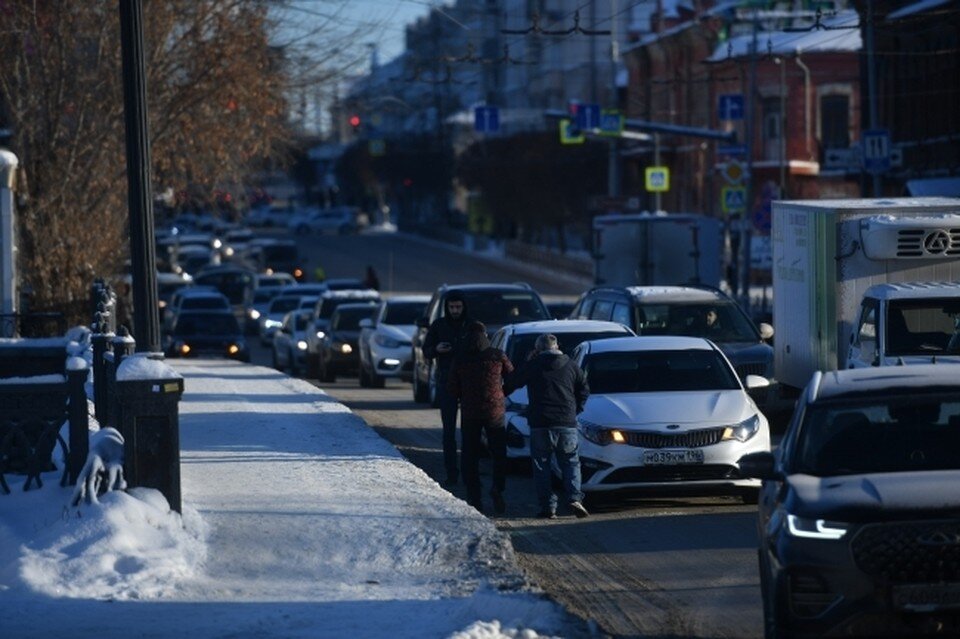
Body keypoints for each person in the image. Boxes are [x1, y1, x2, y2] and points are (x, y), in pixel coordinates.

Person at [505, 333, 590, 519]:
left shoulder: (533, 366)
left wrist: (527, 362)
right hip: (566, 422)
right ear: (557, 346)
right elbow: (584, 389)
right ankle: (575, 498)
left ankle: (548, 507)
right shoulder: (571, 365)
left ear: (537, 349)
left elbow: (513, 382)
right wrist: (575, 410)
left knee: (541, 466)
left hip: (540, 423)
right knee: (570, 462)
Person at [448, 321, 514, 514]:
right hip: (495, 412)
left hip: (470, 413)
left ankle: (474, 495)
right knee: (498, 453)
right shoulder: (497, 355)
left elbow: (451, 388)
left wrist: (463, 394)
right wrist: (501, 393)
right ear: (485, 335)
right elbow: (512, 376)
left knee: (470, 455)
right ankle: (497, 487)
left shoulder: (460, 358)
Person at [422, 290, 471, 486]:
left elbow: (484, 349)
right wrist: (436, 350)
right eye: (452, 307)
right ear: (446, 307)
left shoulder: (472, 326)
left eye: (458, 307)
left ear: (464, 306)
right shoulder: (439, 325)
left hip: (469, 384)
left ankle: (469, 473)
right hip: (446, 382)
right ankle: (452, 474)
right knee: (448, 432)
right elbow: (426, 350)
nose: (455, 311)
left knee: (469, 432)